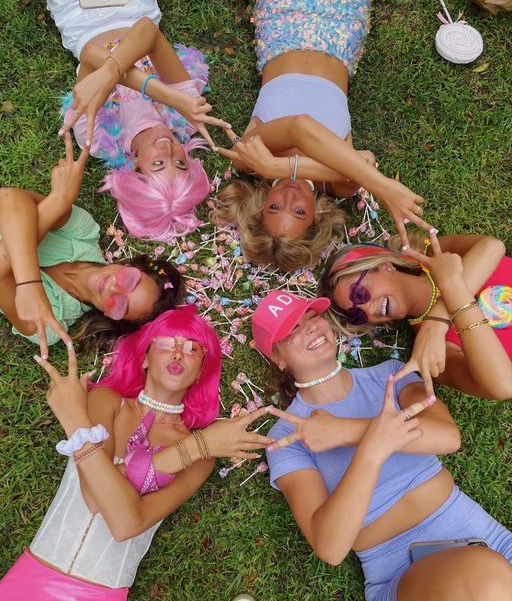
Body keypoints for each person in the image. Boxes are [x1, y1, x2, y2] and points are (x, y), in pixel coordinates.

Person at [251, 290, 512, 601]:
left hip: (488, 540)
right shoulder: (287, 437)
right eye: (291, 330)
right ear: (277, 358)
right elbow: (331, 547)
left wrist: (348, 432)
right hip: (399, 574)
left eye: (313, 316)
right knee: (482, 575)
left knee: (487, 576)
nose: (309, 327)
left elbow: (447, 437)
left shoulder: (390, 373)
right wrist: (372, 451)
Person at [0, 306, 272, 599]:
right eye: (166, 344)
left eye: (192, 348)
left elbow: (127, 522)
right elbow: (94, 498)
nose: (178, 353)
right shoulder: (106, 401)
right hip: (31, 576)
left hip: (100, 593)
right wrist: (194, 446)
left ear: (200, 372)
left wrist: (74, 421)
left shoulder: (202, 459)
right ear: (144, 358)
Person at [211, 0, 432, 271]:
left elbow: (300, 126)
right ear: (316, 216)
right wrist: (362, 178)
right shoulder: (338, 187)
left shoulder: (249, 158)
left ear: (260, 208)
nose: (288, 197)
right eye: (299, 213)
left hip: (282, 18)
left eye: (275, 207)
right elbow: (365, 160)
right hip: (341, 27)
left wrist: (277, 165)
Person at [36, 0, 229, 241]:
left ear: (136, 170)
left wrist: (162, 93)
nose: (170, 152)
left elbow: (91, 52)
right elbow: (147, 30)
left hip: (78, 14)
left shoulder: (97, 138)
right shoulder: (189, 117)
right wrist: (166, 94)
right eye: (181, 163)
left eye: (159, 165)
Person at [0, 136, 183, 359]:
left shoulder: (50, 325)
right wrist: (28, 286)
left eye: (120, 305)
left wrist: (57, 202)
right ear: (131, 264)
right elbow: (8, 199)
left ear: (110, 317)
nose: (114, 289)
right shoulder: (84, 232)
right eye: (129, 281)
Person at [317, 230, 512, 399]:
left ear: (384, 266)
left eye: (359, 294)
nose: (368, 309)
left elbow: (492, 246)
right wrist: (448, 293)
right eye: (357, 315)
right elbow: (504, 386)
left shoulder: (433, 256)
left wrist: (437, 322)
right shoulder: (431, 351)